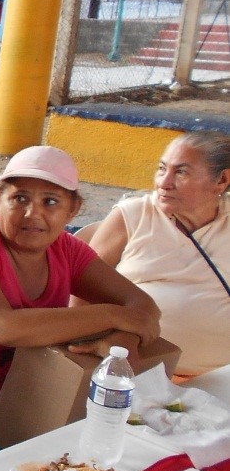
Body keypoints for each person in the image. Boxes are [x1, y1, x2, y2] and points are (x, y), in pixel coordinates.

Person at [0, 145, 161, 465]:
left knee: (118, 465)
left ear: (73, 210)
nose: (32, 213)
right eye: (20, 198)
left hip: (33, 408)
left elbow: (145, 309)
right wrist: (113, 315)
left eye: (50, 202)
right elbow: (1, 326)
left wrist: (122, 340)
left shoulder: (67, 250)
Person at [87, 132, 230, 376]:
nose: (164, 182)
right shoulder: (134, 216)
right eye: (162, 169)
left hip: (222, 379)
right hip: (137, 378)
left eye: (181, 172)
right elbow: (80, 291)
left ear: (222, 180)